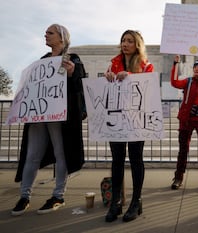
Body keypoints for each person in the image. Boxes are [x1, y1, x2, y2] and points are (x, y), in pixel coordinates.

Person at [12, 24, 86, 216]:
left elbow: (79, 84)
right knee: (32, 154)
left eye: (50, 33)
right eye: (46, 32)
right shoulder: (41, 62)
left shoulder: (72, 59)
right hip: (39, 116)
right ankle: (24, 196)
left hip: (59, 117)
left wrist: (71, 73)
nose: (46, 35)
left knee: (61, 154)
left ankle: (58, 196)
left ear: (61, 37)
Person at [104, 30, 154, 223]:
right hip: (116, 118)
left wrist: (131, 76)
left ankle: (136, 201)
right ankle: (116, 201)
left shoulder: (146, 65)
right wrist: (107, 78)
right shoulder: (112, 64)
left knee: (135, 159)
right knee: (117, 160)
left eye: (130, 41)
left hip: (136, 120)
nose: (125, 44)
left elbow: (148, 88)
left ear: (137, 44)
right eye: (123, 40)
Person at [170, 55, 198, 190]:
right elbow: (174, 82)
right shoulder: (188, 82)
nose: (197, 69)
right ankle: (178, 178)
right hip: (187, 120)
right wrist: (175, 64)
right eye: (195, 67)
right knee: (183, 150)